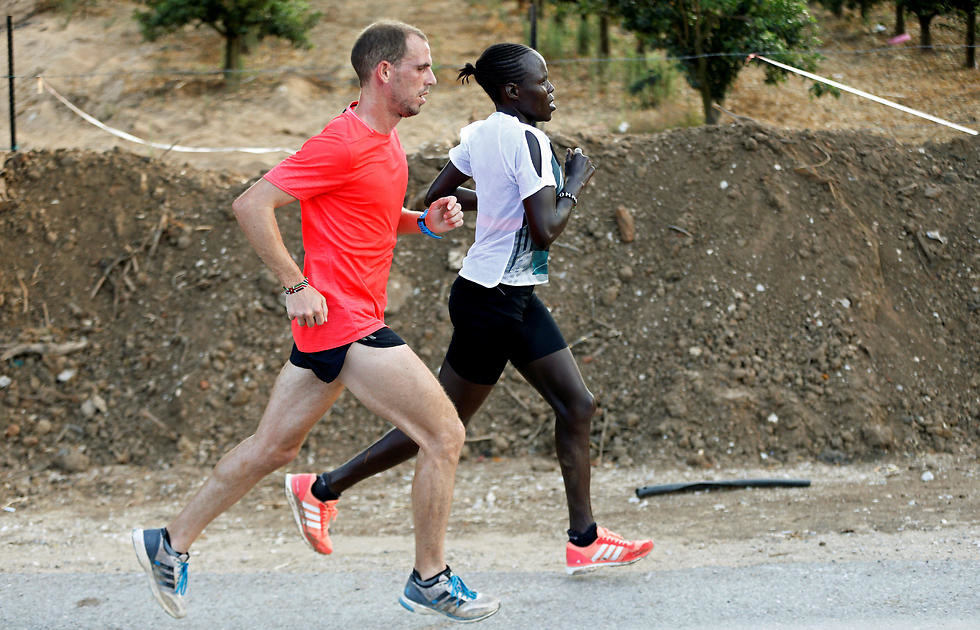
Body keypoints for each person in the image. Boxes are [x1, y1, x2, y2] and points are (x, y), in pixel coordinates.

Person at [130, 21, 500, 624]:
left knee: (273, 447)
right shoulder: (342, 141)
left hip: (337, 322)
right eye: (422, 67)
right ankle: (429, 580)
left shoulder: (385, 141)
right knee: (444, 435)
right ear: (385, 72)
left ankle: (167, 544)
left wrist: (424, 223)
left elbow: (372, 217)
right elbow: (251, 204)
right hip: (344, 322)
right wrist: (295, 284)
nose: (433, 79)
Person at [283, 42, 653, 576]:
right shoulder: (529, 140)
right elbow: (546, 230)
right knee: (441, 426)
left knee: (577, 405)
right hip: (491, 303)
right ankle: (322, 488)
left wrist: (500, 202)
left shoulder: (481, 134)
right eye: (543, 82)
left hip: (508, 293)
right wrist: (575, 182)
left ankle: (585, 540)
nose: (552, 91)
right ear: (513, 91)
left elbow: (437, 194)